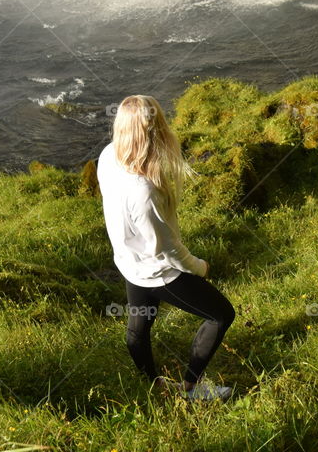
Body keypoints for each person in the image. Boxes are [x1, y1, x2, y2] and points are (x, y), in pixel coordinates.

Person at [96, 94, 235, 401]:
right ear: (155, 130)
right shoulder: (144, 190)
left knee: (139, 327)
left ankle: (151, 386)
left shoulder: (108, 156)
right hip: (160, 273)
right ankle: (191, 389)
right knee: (221, 314)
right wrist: (200, 267)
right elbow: (168, 250)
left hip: (129, 263)